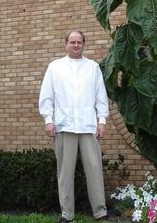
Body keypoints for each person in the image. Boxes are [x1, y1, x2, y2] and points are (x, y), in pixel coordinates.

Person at [39, 30, 109, 222]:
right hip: (64, 126)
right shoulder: (55, 68)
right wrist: (48, 120)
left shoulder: (93, 68)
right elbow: (47, 96)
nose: (76, 45)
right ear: (66, 44)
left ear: (83, 44)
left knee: (94, 170)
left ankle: (100, 211)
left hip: (88, 126)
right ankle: (67, 214)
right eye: (72, 42)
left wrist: (101, 121)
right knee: (65, 173)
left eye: (79, 42)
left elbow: (100, 97)